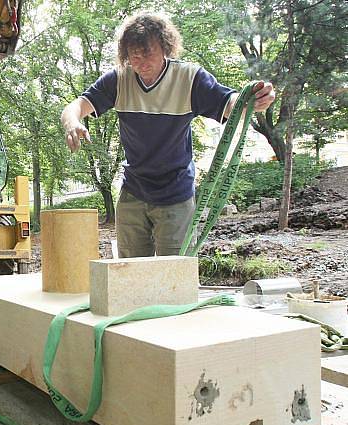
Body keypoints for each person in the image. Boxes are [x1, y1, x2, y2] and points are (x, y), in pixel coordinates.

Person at [61, 12, 276, 258]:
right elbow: (75, 106)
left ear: (165, 47)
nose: (141, 62)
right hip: (133, 190)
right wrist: (73, 123)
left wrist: (253, 99)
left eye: (148, 53)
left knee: (175, 274)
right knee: (130, 274)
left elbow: (230, 103)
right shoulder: (119, 79)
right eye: (134, 55)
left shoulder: (189, 78)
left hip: (176, 194)